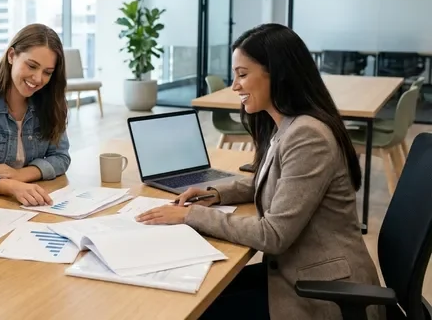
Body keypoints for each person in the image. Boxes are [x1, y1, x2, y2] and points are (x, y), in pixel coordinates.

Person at [135, 23, 384, 320]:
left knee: (196, 309)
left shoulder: (308, 136)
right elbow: (276, 179)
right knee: (198, 293)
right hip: (296, 273)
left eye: (242, 74)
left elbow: (273, 235)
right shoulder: (289, 124)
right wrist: (215, 193)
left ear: (277, 74)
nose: (235, 86)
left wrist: (191, 215)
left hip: (321, 292)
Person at [0, 23, 71, 206]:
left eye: (47, 72)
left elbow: (61, 157)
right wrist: (11, 186)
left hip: (36, 202)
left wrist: (21, 174)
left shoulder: (51, 102)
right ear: (11, 56)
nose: (38, 79)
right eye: (32, 66)